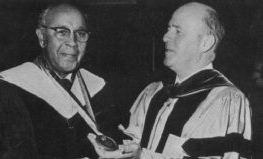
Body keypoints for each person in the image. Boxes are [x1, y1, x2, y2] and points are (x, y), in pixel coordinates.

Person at [88, 2, 252, 159]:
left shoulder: (226, 101)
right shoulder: (154, 92)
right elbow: (133, 143)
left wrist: (143, 156)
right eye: (168, 29)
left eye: (178, 31)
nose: (165, 37)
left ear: (206, 43)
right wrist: (118, 152)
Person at [0, 3, 105, 159]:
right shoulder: (2, 90)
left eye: (81, 33)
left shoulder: (97, 87)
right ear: (42, 38)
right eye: (62, 32)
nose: (73, 42)